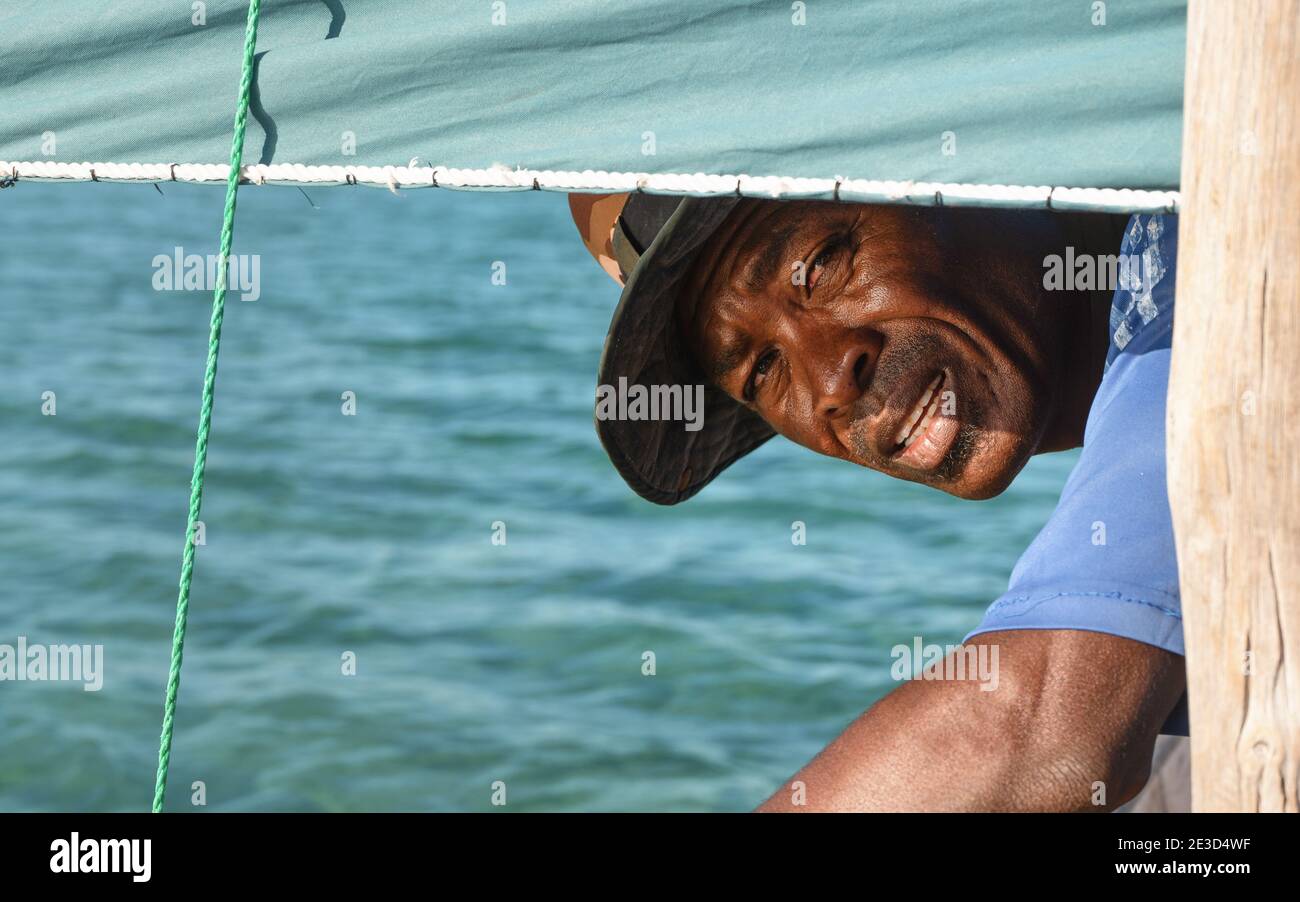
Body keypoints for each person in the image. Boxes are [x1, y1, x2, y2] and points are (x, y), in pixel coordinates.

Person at [570, 192, 1186, 812]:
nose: (830, 385)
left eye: (821, 266)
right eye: (762, 370)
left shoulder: (1202, 271)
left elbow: (1047, 729)